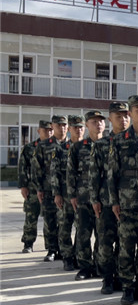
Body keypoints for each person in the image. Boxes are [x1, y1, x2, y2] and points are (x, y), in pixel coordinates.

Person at [107, 95, 138, 305]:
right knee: (126, 246)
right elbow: (112, 173)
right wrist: (114, 201)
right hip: (127, 202)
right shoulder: (119, 140)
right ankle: (127, 287)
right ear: (130, 113)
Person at [92, 102, 130, 295]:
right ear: (110, 119)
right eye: (118, 116)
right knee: (106, 243)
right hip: (106, 202)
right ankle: (107, 279)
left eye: (126, 116)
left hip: (129, 202)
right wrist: (94, 199)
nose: (123, 120)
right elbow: (94, 174)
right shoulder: (101, 145)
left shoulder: (135, 141)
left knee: (126, 244)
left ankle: (123, 279)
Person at [67, 111, 105, 281]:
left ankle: (98, 265)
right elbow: (71, 173)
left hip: (104, 198)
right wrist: (72, 195)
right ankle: (84, 267)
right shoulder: (78, 147)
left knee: (102, 234)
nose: (98, 124)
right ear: (87, 125)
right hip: (83, 197)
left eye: (100, 121)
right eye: (94, 122)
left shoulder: (109, 144)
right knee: (83, 233)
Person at [32, 115, 69, 263]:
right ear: (52, 127)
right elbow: (37, 169)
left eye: (64, 125)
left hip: (68, 190)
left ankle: (65, 250)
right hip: (48, 190)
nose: (62, 128)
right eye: (58, 125)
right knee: (50, 221)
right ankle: (52, 249)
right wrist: (39, 188)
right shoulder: (43, 145)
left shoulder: (72, 145)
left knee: (65, 222)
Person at [50, 115, 83, 271]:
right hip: (65, 196)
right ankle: (67, 257)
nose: (78, 130)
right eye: (75, 127)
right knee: (64, 228)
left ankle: (78, 256)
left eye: (81, 127)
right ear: (69, 129)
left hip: (83, 196)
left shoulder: (88, 148)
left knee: (82, 229)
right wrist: (56, 193)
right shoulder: (61, 149)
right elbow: (54, 173)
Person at [19, 120, 52, 253]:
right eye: (45, 130)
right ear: (39, 131)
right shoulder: (30, 148)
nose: (48, 133)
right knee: (31, 216)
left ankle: (50, 246)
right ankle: (28, 243)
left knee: (49, 219)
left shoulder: (55, 147)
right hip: (32, 189)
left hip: (49, 189)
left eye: (50, 130)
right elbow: (22, 167)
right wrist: (23, 186)